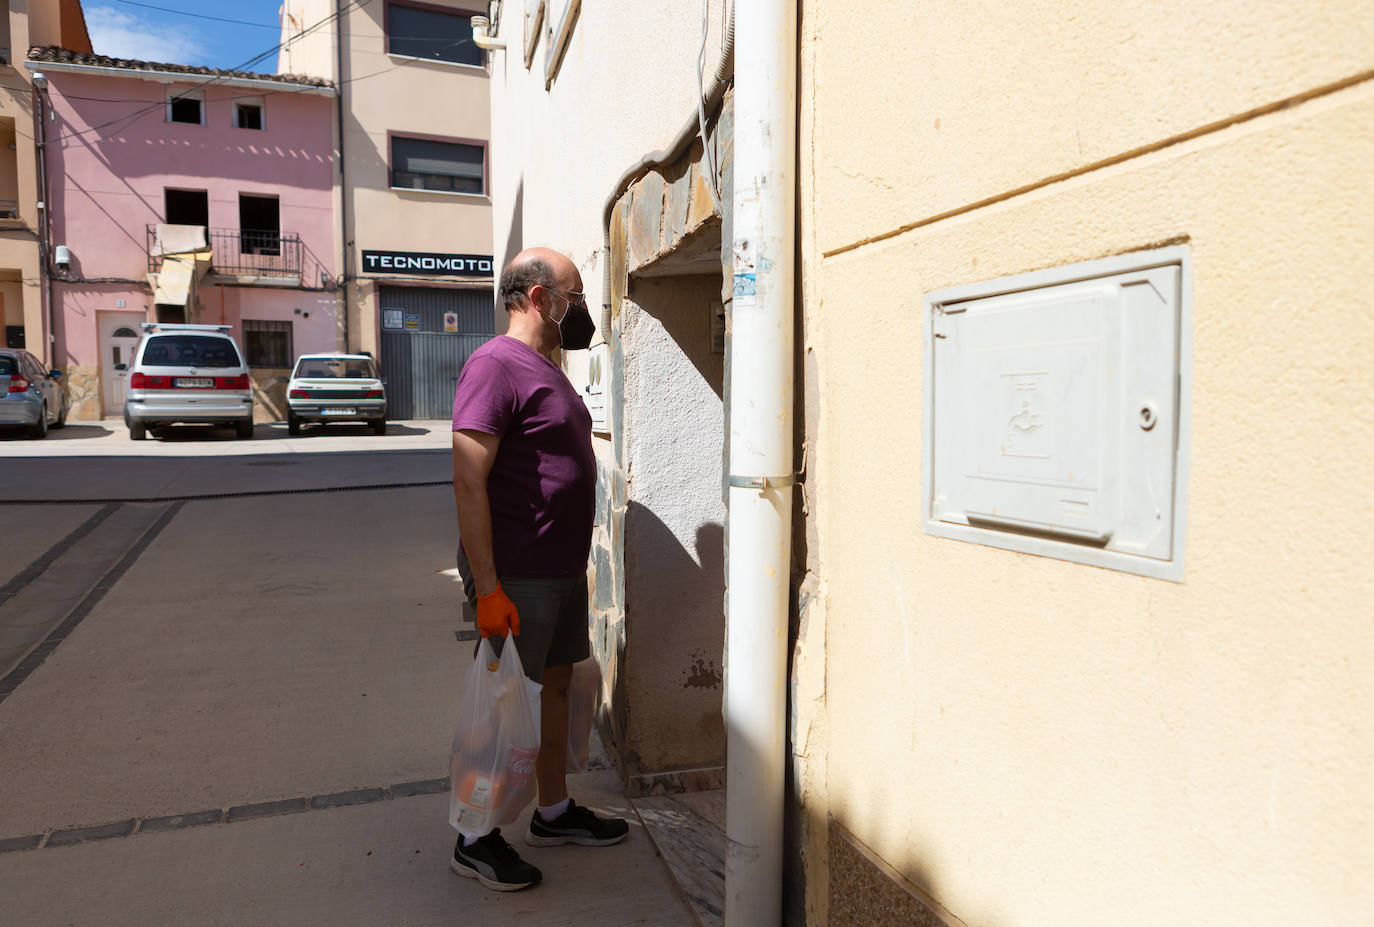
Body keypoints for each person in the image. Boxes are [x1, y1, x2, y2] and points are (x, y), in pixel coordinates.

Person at [449, 247, 627, 892]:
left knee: (553, 690)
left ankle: (551, 812)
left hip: (559, 568)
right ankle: (474, 836)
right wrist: (489, 588)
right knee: (502, 707)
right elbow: (469, 480)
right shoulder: (495, 365)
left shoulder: (545, 367)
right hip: (517, 573)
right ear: (537, 298)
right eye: (574, 297)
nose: (581, 309)